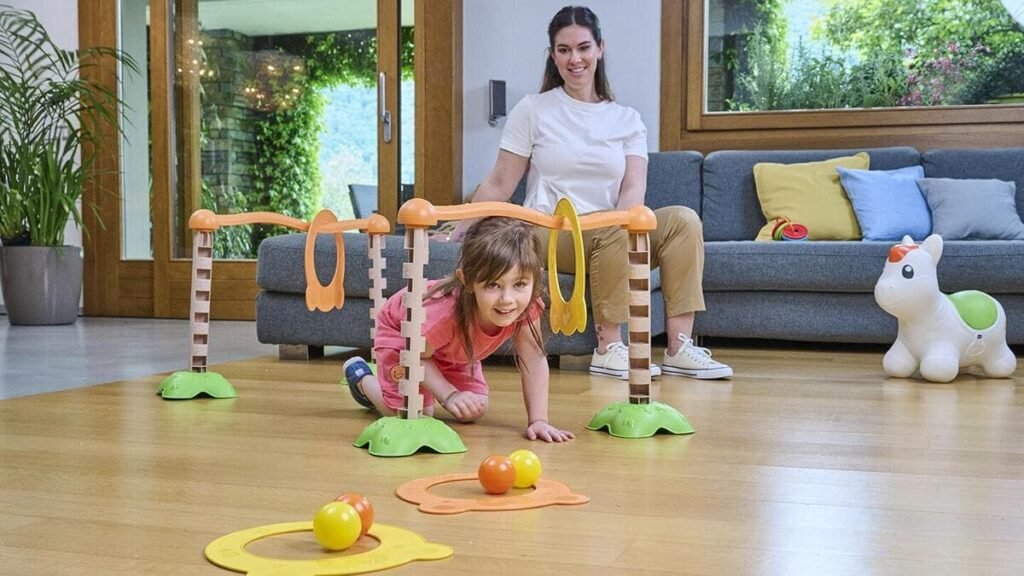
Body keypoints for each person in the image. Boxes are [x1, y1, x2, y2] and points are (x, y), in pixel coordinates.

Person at [450, 5, 732, 381]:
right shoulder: (533, 110)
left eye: (583, 47)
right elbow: (500, 182)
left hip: (607, 232)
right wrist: (460, 226)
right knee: (614, 226)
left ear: (600, 48)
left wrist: (625, 228)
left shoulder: (628, 120)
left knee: (682, 220)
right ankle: (608, 348)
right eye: (564, 50)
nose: (575, 58)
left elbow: (633, 189)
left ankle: (679, 347)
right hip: (551, 232)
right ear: (552, 55)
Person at [343, 216, 575, 443]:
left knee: (474, 409)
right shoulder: (444, 315)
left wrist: (538, 420)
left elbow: (533, 358)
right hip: (406, 337)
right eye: (493, 285)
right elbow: (415, 357)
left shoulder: (528, 306)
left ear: (536, 277)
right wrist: (449, 395)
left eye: (520, 284)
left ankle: (418, 385)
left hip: (450, 349)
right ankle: (361, 377)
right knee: (411, 413)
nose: (507, 299)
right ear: (467, 281)